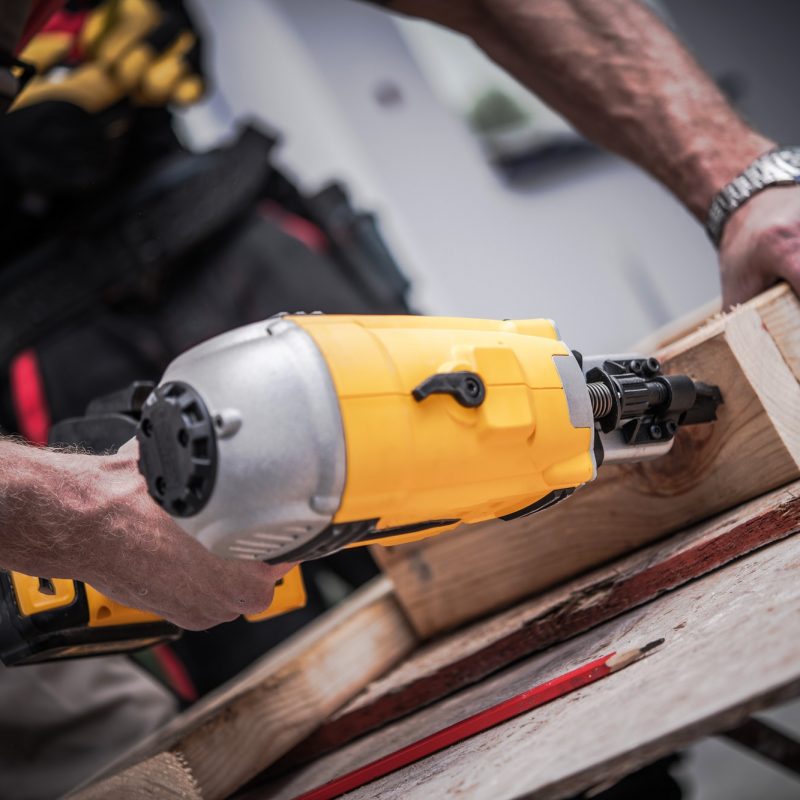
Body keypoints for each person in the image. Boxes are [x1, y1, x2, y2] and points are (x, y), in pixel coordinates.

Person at [0, 0, 799, 793]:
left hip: (210, 213)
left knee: (490, 518)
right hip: (29, 320)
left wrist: (741, 180)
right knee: (266, 694)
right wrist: (73, 516)